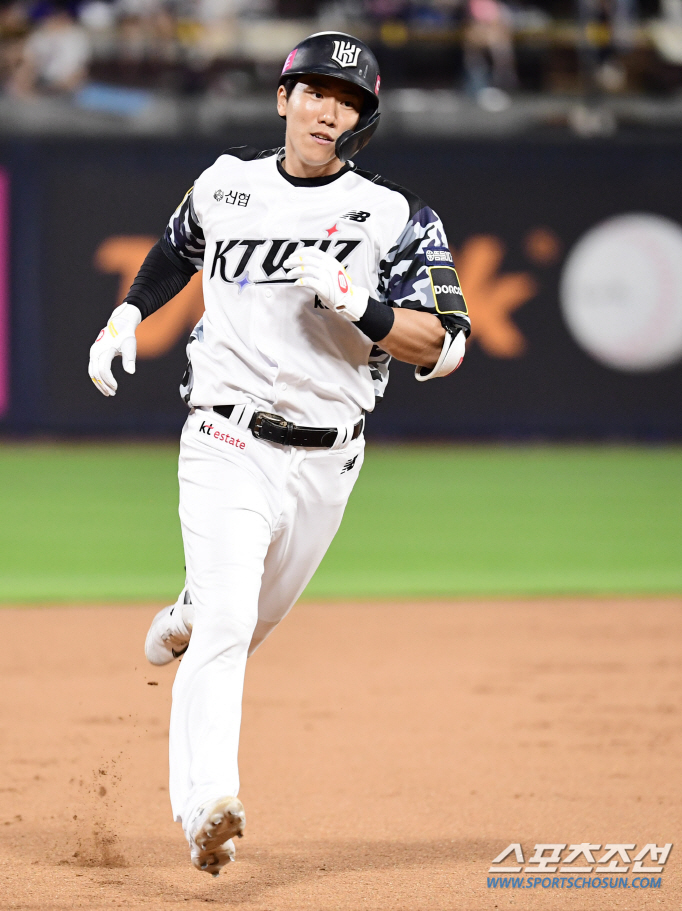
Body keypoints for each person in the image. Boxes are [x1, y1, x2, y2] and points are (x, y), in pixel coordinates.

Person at [87, 30, 471, 876]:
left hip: (328, 461)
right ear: (283, 99)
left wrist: (362, 305)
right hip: (224, 434)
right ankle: (206, 806)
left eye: (349, 101)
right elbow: (177, 249)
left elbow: (446, 344)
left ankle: (191, 605)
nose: (329, 110)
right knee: (230, 628)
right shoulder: (226, 183)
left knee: (239, 628)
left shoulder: (398, 216)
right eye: (316, 92)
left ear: (362, 121)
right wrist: (127, 315)